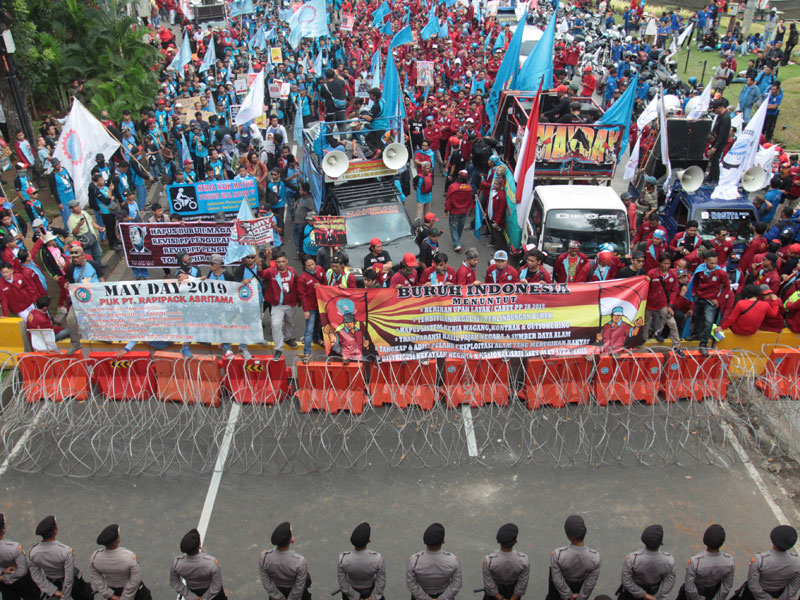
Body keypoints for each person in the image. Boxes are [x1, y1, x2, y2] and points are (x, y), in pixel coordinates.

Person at [28, 515, 94, 600]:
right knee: (86, 595)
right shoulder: (65, 551)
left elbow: (36, 575)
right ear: (55, 531)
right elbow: (69, 578)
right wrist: (64, 597)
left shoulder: (33, 552)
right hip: (74, 583)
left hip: (52, 582)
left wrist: (52, 590)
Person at [736, 525, 800, 600]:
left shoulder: (760, 560)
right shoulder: (797, 562)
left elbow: (753, 585)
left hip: (755, 595)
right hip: (778, 594)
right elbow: (793, 587)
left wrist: (768, 599)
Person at [89, 524, 152, 600]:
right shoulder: (129, 556)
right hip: (135, 593)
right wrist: (125, 598)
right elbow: (135, 579)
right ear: (118, 540)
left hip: (114, 591)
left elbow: (95, 576)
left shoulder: (95, 557)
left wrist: (108, 594)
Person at [546, 515, 600, 600]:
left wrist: (568, 595)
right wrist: (581, 597)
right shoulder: (595, 557)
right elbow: (590, 582)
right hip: (579, 588)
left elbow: (557, 579)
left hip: (558, 593)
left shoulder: (558, 555)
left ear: (568, 536)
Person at [64, 244, 104, 356]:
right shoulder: (71, 269)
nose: (75, 260)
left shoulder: (93, 264)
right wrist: (67, 286)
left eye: (77, 257)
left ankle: (103, 335)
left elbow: (102, 279)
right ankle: (76, 344)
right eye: (73, 258)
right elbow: (70, 283)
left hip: (94, 296)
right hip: (79, 298)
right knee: (70, 319)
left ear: (83, 255)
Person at [675, 524, 734, 600]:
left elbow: (689, 587)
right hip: (713, 591)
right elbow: (726, 587)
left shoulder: (695, 561)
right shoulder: (729, 562)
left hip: (696, 592)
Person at [619, 525, 676, 600]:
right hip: (653, 592)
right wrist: (657, 598)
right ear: (661, 543)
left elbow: (626, 580)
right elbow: (669, 584)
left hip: (631, 594)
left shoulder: (632, 559)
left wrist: (644, 595)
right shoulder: (669, 561)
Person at [406, 523, 462, 600]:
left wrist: (426, 598)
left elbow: (411, 584)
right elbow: (456, 585)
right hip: (445, 595)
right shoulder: (453, 560)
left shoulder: (413, 561)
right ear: (443, 541)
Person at [688, 251, 730, 350]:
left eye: (715, 263)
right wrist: (694, 292)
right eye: (711, 263)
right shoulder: (700, 270)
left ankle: (704, 342)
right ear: (705, 261)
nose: (714, 265)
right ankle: (695, 335)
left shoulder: (721, 273)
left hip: (711, 301)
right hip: (699, 297)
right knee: (697, 318)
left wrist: (719, 299)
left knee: (708, 322)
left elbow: (727, 287)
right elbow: (695, 281)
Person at [645, 253, 685, 356]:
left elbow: (674, 291)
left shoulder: (672, 275)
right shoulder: (651, 274)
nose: (667, 266)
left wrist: (670, 305)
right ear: (659, 263)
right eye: (664, 263)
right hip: (649, 304)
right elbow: (645, 288)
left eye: (668, 264)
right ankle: (643, 343)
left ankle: (677, 346)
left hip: (663, 304)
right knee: (645, 324)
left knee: (672, 323)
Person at [259, 522, 311, 600]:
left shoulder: (264, 558)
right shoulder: (300, 562)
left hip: (276, 593)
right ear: (291, 540)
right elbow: (299, 586)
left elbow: (266, 582)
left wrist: (279, 597)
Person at [170, 528, 225, 600]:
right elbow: (217, 585)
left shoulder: (177, 564)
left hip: (193, 591)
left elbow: (174, 582)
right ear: (199, 546)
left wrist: (190, 596)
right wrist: (204, 598)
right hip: (212, 593)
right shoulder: (211, 563)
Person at [337, 522, 386, 600]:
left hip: (351, 593)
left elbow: (343, 583)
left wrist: (357, 597)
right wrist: (373, 598)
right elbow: (381, 582)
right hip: (371, 590)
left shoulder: (343, 559)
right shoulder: (378, 559)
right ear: (369, 540)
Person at [482, 523, 530, 600]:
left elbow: (489, 585)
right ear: (516, 541)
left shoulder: (489, 560)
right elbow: (521, 586)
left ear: (498, 541)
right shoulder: (524, 560)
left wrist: (501, 598)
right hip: (512, 593)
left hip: (494, 596)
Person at [0, 513, 40, 600]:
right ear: (3, 530)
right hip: (23, 583)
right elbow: (23, 570)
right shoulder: (14, 548)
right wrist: (5, 577)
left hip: (5, 586)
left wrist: (2, 572)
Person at [298, 255, 325, 362]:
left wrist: (321, 286)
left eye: (313, 264)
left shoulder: (320, 270)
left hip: (321, 304)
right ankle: (307, 351)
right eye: (308, 265)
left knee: (319, 325)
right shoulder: (302, 278)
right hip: (311, 307)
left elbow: (326, 283)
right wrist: (306, 310)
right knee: (309, 329)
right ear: (304, 266)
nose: (311, 267)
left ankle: (317, 339)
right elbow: (302, 296)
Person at [707, 100, 731, 185]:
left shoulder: (725, 118)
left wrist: (715, 147)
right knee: (712, 159)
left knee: (715, 160)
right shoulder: (720, 115)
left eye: (714, 109)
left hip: (720, 143)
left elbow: (722, 134)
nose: (714, 111)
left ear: (719, 108)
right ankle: (710, 177)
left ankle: (715, 179)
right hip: (716, 140)